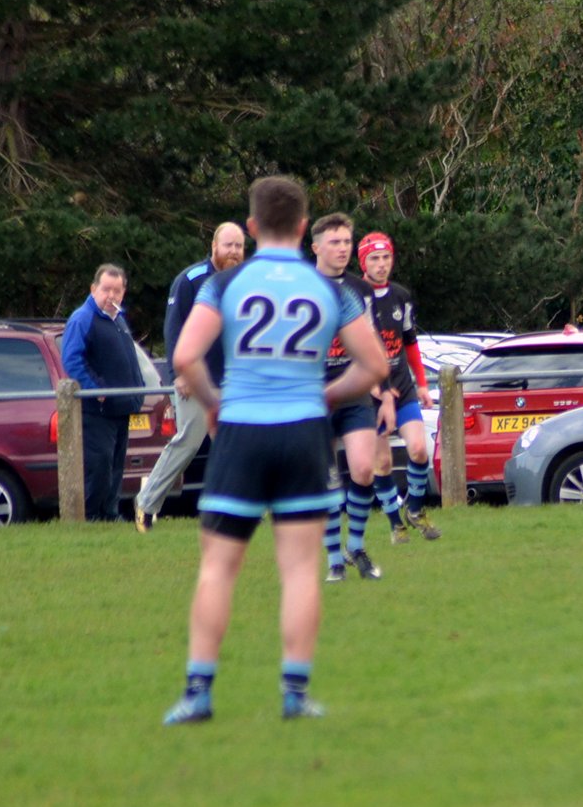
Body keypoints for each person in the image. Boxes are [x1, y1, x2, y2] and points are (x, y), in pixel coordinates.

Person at [162, 175, 388, 725]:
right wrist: (326, 395)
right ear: (305, 228)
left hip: (242, 428)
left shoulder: (226, 283)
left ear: (252, 227)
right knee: (301, 569)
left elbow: (185, 356)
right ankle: (294, 693)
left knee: (218, 568)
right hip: (303, 433)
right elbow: (375, 366)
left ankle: (198, 692)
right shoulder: (330, 289)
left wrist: (215, 402)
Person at [133, 222, 246, 532]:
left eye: (239, 246)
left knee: (235, 444)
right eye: (228, 245)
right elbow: (173, 330)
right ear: (214, 247)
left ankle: (236, 509)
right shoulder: (190, 280)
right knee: (188, 443)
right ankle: (146, 503)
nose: (234, 251)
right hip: (194, 380)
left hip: (233, 381)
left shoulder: (245, 282)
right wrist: (178, 374)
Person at [311, 213, 383, 582]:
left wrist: (381, 388)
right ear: (316, 247)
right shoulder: (303, 287)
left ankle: (356, 545)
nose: (342, 249)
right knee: (326, 481)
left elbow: (372, 339)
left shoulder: (360, 290)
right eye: (335, 242)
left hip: (354, 392)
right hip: (314, 397)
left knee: (363, 469)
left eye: (346, 242)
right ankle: (333, 559)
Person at [358, 231, 441, 544]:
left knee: (419, 449)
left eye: (386, 258)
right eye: (374, 259)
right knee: (382, 463)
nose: (381, 264)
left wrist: (422, 384)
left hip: (402, 387)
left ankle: (415, 510)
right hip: (371, 393)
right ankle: (396, 524)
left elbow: (410, 343)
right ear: (363, 262)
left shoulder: (401, 296)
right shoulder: (354, 297)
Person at [61, 263, 145, 522]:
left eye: (117, 291)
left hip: (121, 408)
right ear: (93, 289)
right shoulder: (82, 318)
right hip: (97, 410)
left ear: (123, 292)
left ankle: (110, 513)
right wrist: (94, 389)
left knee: (116, 464)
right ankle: (93, 516)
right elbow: (72, 358)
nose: (111, 296)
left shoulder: (118, 319)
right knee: (100, 464)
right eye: (106, 289)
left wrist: (138, 389)